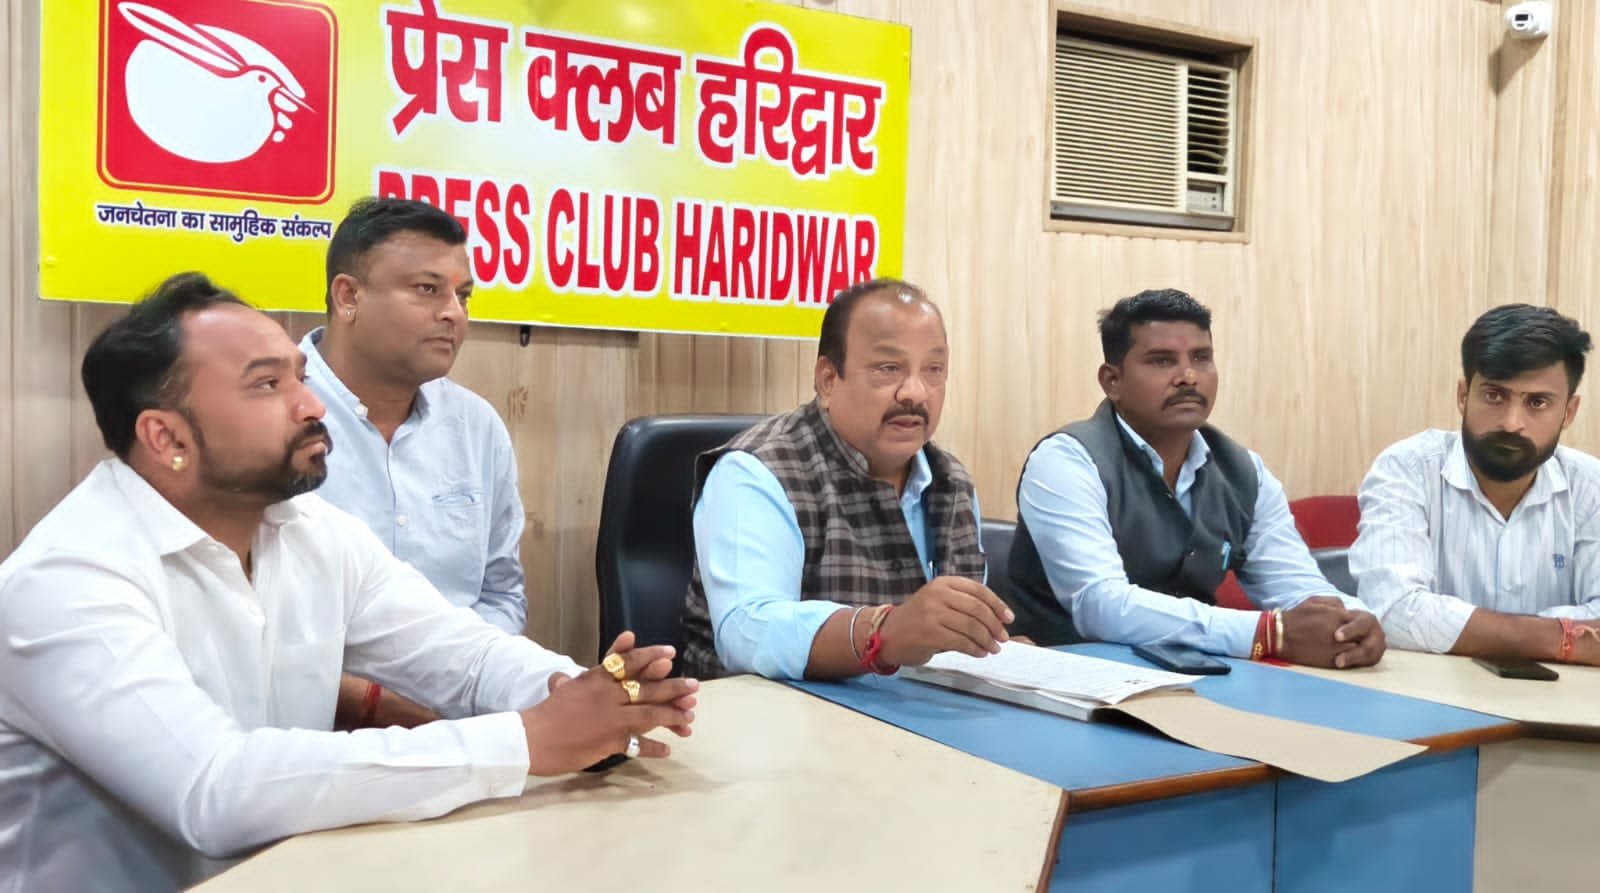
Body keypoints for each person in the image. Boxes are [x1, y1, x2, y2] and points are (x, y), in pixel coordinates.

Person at [0, 273, 697, 892]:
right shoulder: (67, 580)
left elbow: (460, 651)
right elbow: (215, 788)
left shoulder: (308, 530)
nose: (313, 405)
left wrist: (581, 696)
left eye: (300, 377)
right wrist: (526, 740)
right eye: (268, 385)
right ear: (168, 439)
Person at [1007, 288, 1385, 668]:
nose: (1188, 377)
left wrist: (1351, 622)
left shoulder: (1244, 472)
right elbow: (1100, 605)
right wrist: (1267, 633)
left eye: (1201, 358)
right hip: (1070, 678)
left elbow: (1296, 587)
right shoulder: (1067, 460)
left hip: (1200, 678)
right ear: (1112, 381)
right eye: (1161, 361)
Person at [680, 278, 1013, 680]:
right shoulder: (757, 471)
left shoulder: (951, 481)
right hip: (772, 714)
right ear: (827, 381)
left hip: (911, 713)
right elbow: (747, 633)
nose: (915, 392)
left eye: (933, 370)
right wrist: (882, 632)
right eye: (888, 369)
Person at [304, 197, 523, 728]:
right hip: (309, 730)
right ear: (348, 297)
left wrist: (466, 694)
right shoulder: (271, 415)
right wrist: (372, 703)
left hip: (459, 722)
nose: (454, 313)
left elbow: (501, 594)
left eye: (462, 295)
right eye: (428, 289)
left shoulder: (476, 426)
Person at [1351, 303, 1600, 663]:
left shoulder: (1590, 487)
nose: (1511, 423)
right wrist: (1567, 639)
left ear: (1569, 412)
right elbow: (1392, 611)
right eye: (1495, 395)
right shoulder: (1407, 469)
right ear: (1463, 395)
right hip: (1427, 694)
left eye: (1537, 402)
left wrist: (1454, 625)